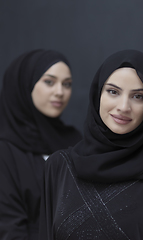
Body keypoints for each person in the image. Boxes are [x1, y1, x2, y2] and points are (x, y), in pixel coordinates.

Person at [39, 50, 143, 240]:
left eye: (138, 96)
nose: (124, 107)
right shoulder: (59, 167)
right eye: (113, 92)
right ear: (97, 94)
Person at [0, 49, 82, 239]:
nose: (60, 92)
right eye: (49, 82)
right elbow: (9, 228)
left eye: (67, 84)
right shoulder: (5, 150)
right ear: (25, 85)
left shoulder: (76, 142)